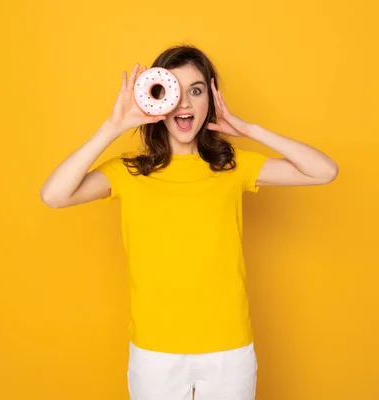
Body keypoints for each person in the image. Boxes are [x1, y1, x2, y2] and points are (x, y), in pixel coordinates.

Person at [40, 44, 338, 400]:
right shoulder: (128, 171)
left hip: (229, 350)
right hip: (155, 352)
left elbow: (324, 171)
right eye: (172, 91)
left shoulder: (232, 166)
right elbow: (53, 195)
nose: (184, 103)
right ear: (155, 99)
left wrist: (248, 129)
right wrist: (112, 127)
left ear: (209, 100)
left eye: (195, 91)